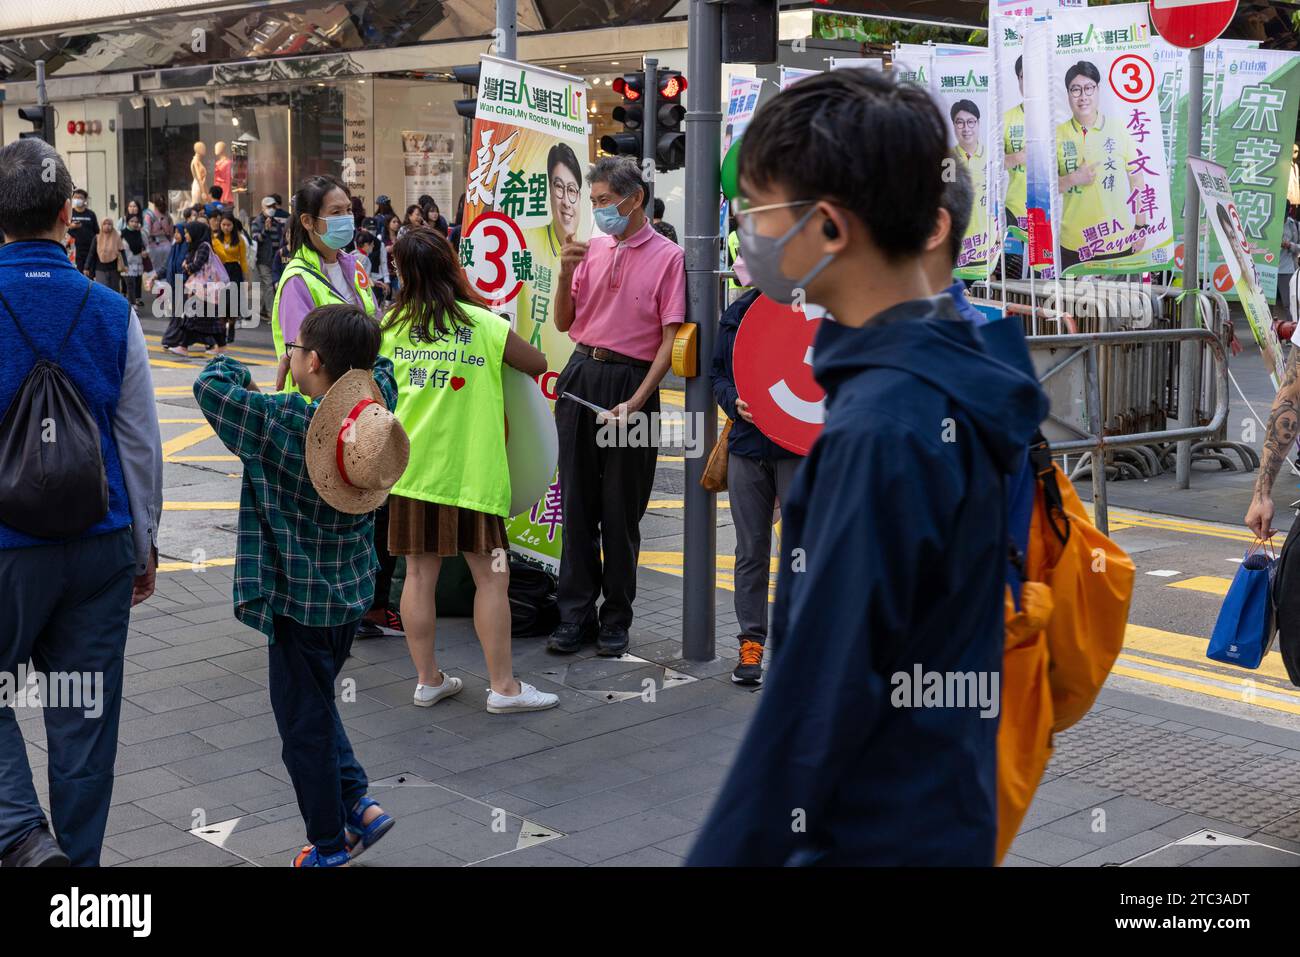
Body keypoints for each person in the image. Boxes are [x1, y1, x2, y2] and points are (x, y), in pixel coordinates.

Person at [685, 68, 1047, 866]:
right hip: (942, 807)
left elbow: (811, 704)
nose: (746, 232)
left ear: (828, 228)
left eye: (756, 211)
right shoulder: (963, 366)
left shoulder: (881, 428)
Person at [193, 303, 406, 866]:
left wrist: (236, 363)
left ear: (311, 360)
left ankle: (330, 845)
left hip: (295, 603)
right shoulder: (377, 411)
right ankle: (359, 802)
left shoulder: (281, 421)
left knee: (302, 727)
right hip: (351, 597)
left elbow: (213, 384)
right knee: (316, 704)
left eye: (294, 350)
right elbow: (377, 365)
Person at [0, 138, 162, 867]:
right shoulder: (111, 309)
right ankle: (76, 878)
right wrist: (144, 543)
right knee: (83, 719)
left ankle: (19, 834)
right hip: (98, 546)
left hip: (4, 551)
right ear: (70, 213)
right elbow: (140, 442)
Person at [379, 229, 560, 713]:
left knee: (418, 575)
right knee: (492, 578)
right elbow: (538, 362)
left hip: (412, 474)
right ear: (451, 265)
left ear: (402, 272)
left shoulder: (390, 328)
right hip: (472, 475)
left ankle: (427, 680)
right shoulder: (482, 324)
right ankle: (503, 688)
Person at [547, 156, 686, 657]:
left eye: (607, 201)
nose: (600, 211)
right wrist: (564, 275)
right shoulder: (592, 248)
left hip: (632, 382)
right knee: (578, 506)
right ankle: (573, 616)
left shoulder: (670, 257)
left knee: (620, 511)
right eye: (596, 202)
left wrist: (637, 401)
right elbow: (565, 323)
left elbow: (669, 341)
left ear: (636, 199)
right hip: (582, 372)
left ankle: (616, 618)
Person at [709, 284, 803, 685]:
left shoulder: (809, 304)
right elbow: (717, 373)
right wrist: (734, 402)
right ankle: (751, 643)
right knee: (751, 550)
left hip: (797, 448)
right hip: (748, 447)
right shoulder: (738, 312)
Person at [271, 175, 377, 393]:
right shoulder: (297, 280)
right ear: (308, 221)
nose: (347, 218)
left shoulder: (353, 266)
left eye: (348, 210)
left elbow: (374, 320)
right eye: (336, 212)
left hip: (357, 393)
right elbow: (303, 355)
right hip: (317, 405)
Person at [1056, 60, 1148, 272]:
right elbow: (1045, 188)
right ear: (1068, 94)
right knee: (1072, 304)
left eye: (1089, 88)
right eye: (1075, 90)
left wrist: (1140, 226)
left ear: (1098, 90)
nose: (1083, 96)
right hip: (1073, 243)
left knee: (1116, 304)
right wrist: (1073, 179)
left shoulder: (1119, 130)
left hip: (1116, 240)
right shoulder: (1057, 135)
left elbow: (1137, 181)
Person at [168, 220, 227, 357]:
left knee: (193, 317)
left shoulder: (203, 247)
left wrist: (187, 266)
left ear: (196, 233)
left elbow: (195, 266)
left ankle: (183, 346)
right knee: (207, 318)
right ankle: (222, 346)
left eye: (188, 233)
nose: (186, 235)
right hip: (201, 289)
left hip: (204, 289)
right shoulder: (194, 247)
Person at [949, 99, 989, 272]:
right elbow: (947, 198)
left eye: (971, 122)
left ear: (978, 123)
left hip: (987, 248)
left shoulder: (991, 156)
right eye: (960, 123)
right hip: (959, 247)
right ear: (954, 125)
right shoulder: (948, 158)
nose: (966, 128)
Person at [1003, 55, 1027, 280]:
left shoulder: (1061, 116)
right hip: (1015, 213)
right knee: (1013, 279)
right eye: (1023, 76)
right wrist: (1018, 156)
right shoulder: (1007, 119)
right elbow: (992, 161)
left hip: (1057, 218)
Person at [213, 213, 251, 342]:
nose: (226, 227)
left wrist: (247, 278)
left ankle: (232, 328)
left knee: (233, 303)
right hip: (221, 271)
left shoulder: (239, 239)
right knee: (222, 302)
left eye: (229, 225)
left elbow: (243, 260)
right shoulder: (215, 239)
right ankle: (222, 331)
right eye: (223, 224)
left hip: (235, 271)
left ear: (233, 225)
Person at [251, 196, 286, 319]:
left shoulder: (277, 222)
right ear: (263, 208)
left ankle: (262, 310)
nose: (272, 209)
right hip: (263, 259)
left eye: (273, 206)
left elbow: (283, 239)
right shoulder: (257, 222)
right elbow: (255, 240)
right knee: (269, 285)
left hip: (277, 258)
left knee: (272, 285)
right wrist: (265, 230)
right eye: (269, 207)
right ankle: (272, 314)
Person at [143, 193, 173, 284]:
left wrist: (145, 247)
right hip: (167, 245)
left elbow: (145, 232)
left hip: (154, 246)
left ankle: (160, 293)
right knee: (166, 269)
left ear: (152, 203)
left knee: (156, 272)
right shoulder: (167, 215)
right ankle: (167, 291)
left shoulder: (149, 215)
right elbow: (171, 231)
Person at [68, 187, 98, 276]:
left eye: (80, 197)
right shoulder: (69, 213)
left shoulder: (91, 214)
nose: (77, 199)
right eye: (75, 197)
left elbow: (97, 231)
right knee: (76, 274)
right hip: (74, 250)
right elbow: (63, 229)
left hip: (90, 250)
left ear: (85, 200)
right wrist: (71, 226)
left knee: (89, 275)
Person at [91, 217, 126, 293]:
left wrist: (125, 265)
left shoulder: (116, 237)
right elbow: (92, 254)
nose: (107, 226)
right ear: (101, 225)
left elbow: (122, 251)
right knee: (102, 291)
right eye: (105, 224)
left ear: (112, 225)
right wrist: (87, 267)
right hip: (100, 269)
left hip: (114, 269)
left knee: (114, 291)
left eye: (109, 224)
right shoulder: (97, 238)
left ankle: (115, 305)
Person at [1280, 203, 1300, 330]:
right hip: (1267, 268)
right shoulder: (1268, 221)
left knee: (1289, 303)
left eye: (1285, 211)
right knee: (1265, 304)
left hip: (1287, 268)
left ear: (1289, 210)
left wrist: (1289, 245)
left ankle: (1292, 333)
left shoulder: (1294, 225)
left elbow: (1298, 247)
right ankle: (1267, 335)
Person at [121, 213, 146, 307]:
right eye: (132, 221)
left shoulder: (140, 233)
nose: (134, 223)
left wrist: (144, 251)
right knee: (129, 284)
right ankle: (131, 304)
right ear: (127, 222)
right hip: (126, 263)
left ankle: (133, 302)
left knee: (135, 284)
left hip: (138, 262)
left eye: (136, 221)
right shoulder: (122, 233)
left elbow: (144, 245)